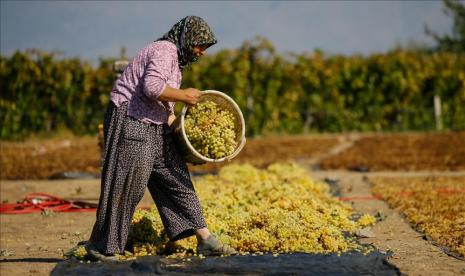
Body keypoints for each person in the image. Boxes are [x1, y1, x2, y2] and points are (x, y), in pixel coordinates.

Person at [84, 16, 237, 261]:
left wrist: (188, 142)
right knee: (127, 185)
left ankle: (205, 239)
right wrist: (185, 96)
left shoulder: (176, 62)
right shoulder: (165, 50)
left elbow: (166, 109)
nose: (203, 52)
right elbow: (152, 88)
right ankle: (101, 246)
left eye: (206, 48)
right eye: (201, 45)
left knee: (176, 177)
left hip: (154, 125)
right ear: (188, 39)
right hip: (132, 120)